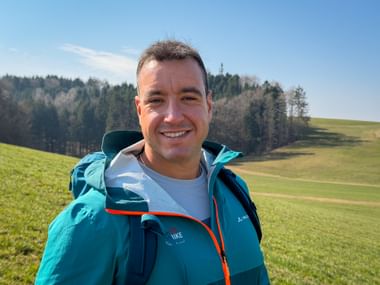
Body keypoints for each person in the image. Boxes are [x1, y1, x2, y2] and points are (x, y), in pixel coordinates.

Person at [35, 40, 270, 284]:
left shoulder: (235, 190)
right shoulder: (93, 219)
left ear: (208, 106)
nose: (173, 117)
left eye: (188, 97)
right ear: (139, 110)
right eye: (156, 100)